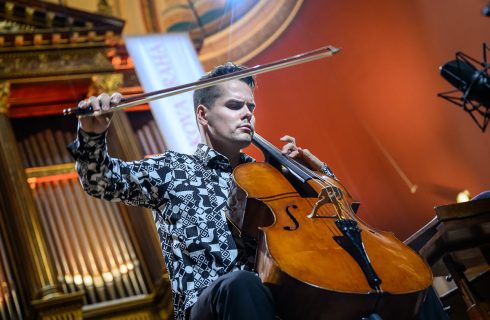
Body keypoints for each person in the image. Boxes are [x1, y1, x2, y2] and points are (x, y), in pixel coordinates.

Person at [69, 62, 333, 320]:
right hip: (209, 306)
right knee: (241, 284)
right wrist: (91, 135)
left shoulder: (269, 177)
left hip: (267, 305)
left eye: (250, 106)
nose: (247, 113)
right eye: (234, 105)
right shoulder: (172, 170)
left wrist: (313, 175)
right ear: (203, 115)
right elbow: (101, 181)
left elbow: (328, 221)